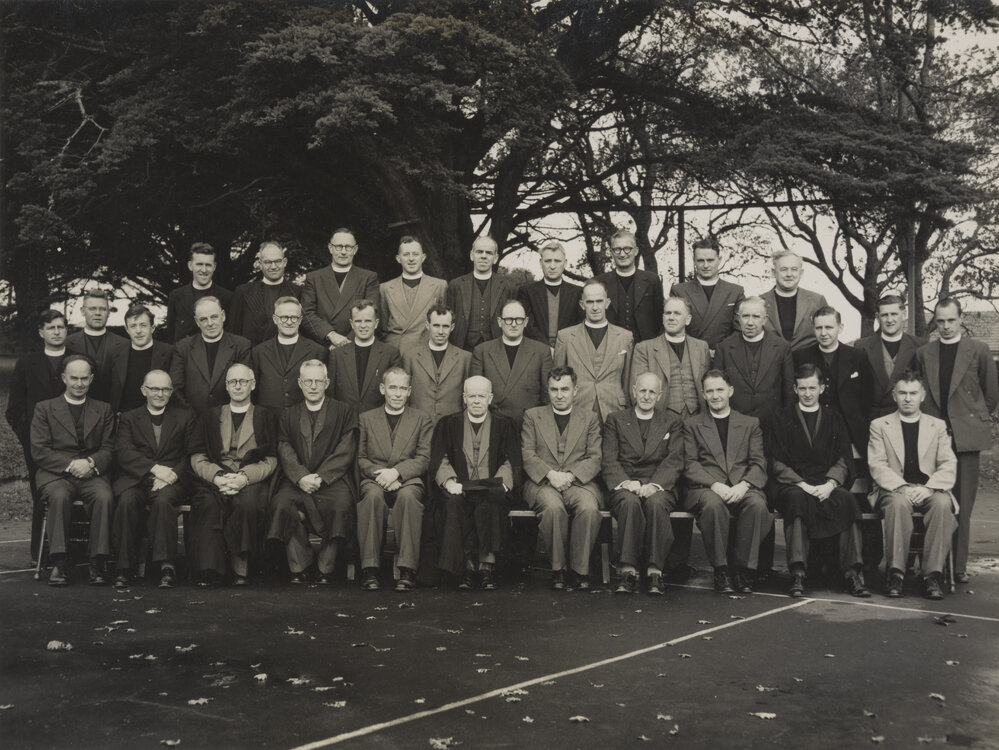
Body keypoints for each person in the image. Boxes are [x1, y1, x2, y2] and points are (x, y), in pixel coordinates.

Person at [914, 298, 998, 584]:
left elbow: (990, 395)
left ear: (961, 319)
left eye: (951, 320)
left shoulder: (980, 350)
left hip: (966, 440)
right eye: (940, 321)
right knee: (931, 500)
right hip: (931, 438)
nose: (946, 326)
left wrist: (967, 421)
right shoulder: (924, 353)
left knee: (962, 504)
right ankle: (929, 565)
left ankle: (958, 567)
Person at [768, 364, 869, 598]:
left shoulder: (834, 419)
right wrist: (802, 484)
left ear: (822, 388)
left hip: (826, 483)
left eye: (812, 388)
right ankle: (798, 572)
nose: (807, 393)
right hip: (794, 484)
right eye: (802, 388)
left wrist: (830, 484)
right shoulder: (782, 418)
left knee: (847, 501)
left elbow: (843, 459)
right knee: (796, 500)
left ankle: (852, 573)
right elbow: (776, 462)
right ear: (795, 389)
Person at [423, 376, 520, 590]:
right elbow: (440, 457)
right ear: (464, 398)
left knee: (492, 500)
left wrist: (502, 483)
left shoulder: (504, 425)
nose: (476, 400)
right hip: (460, 486)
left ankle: (486, 568)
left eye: (481, 396)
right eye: (472, 396)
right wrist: (449, 481)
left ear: (490, 398)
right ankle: (464, 568)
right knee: (454, 503)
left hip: (490, 485)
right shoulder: (448, 424)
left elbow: (510, 460)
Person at [868, 371, 958, 599]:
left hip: (929, 489)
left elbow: (948, 463)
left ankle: (932, 576)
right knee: (898, 505)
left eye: (913, 393)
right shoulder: (880, 425)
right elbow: (877, 464)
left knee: (942, 505)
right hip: (894, 489)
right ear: (894, 396)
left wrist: (929, 488)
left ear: (922, 395)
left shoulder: (937, 426)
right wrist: (903, 487)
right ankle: (896, 574)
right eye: (902, 393)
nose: (908, 398)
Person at [681, 369, 770, 594]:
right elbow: (690, 463)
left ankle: (742, 570)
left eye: (720, 390)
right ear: (703, 394)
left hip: (742, 485)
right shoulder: (692, 424)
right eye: (709, 391)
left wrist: (744, 485)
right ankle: (721, 570)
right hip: (707, 487)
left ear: (730, 391)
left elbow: (759, 462)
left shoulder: (749, 423)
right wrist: (715, 485)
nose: (715, 395)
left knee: (757, 505)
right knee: (712, 505)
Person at [267, 360, 357, 584]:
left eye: (318, 381)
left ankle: (326, 567)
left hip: (332, 480)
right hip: (297, 479)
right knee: (281, 503)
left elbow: (346, 448)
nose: (313, 386)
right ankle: (300, 565)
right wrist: (300, 476)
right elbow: (284, 447)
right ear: (300, 383)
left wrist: (321, 476)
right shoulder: (289, 414)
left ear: (327, 382)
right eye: (308, 381)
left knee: (341, 504)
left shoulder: (343, 411)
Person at [187, 364, 278, 585]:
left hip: (250, 479)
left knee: (247, 503)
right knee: (208, 503)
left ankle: (241, 568)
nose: (238, 386)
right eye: (233, 382)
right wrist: (217, 477)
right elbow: (197, 455)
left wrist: (244, 477)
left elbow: (271, 459)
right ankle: (210, 569)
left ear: (252, 385)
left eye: (243, 381)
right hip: (215, 479)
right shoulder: (210, 416)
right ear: (226, 386)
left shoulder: (265, 416)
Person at [30, 355, 116, 586]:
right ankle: (58, 562)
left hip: (90, 472)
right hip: (55, 473)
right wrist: (70, 465)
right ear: (64, 378)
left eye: (84, 378)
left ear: (91, 379)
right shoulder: (44, 408)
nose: (79, 383)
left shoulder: (104, 409)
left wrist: (90, 463)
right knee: (59, 496)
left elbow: (109, 448)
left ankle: (97, 561)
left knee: (104, 496)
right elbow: (39, 450)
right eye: (74, 378)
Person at [521, 367, 603, 590]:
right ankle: (559, 570)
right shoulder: (533, 416)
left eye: (565, 389)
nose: (559, 395)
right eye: (554, 389)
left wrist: (570, 476)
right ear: (547, 390)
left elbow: (595, 457)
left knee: (589, 508)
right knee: (553, 508)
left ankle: (580, 570)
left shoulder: (590, 418)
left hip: (578, 482)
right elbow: (527, 453)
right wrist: (550, 474)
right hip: (542, 482)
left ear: (575, 390)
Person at [602, 373, 684, 595]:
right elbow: (609, 458)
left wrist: (655, 485)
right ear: (633, 391)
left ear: (660, 395)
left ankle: (655, 571)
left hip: (658, 484)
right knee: (630, 504)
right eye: (642, 391)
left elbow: (675, 459)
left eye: (652, 392)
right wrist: (626, 482)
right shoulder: (615, 419)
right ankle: (628, 570)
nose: (647, 396)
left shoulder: (672, 421)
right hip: (626, 483)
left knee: (656, 504)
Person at [111, 370, 195, 589]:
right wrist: (154, 469)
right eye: (155, 389)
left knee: (163, 502)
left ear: (171, 391)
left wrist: (173, 475)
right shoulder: (129, 418)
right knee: (127, 502)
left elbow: (191, 454)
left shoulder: (184, 416)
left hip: (171, 480)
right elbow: (124, 452)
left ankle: (166, 566)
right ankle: (124, 567)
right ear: (144, 390)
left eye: (166, 389)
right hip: (137, 478)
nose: (160, 394)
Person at [356, 368, 433, 592]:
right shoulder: (366, 419)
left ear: (409, 391)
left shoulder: (422, 419)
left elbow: (424, 458)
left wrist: (397, 473)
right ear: (383, 389)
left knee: (408, 498)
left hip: (407, 479)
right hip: (375, 478)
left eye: (402, 388)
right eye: (393, 388)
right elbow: (360, 458)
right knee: (372, 498)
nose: (398, 393)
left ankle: (407, 569)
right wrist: (383, 475)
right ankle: (370, 568)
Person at [6, 310, 69, 560]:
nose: (56, 332)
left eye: (61, 327)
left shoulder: (78, 361)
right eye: (51, 327)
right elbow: (14, 411)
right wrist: (31, 439)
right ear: (41, 332)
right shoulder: (27, 364)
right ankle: (40, 553)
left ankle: (69, 552)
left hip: (73, 445)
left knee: (68, 494)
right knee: (41, 495)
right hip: (38, 445)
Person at [793, 306, 874, 458]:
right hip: (813, 430)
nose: (823, 333)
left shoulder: (858, 357)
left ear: (840, 328)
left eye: (829, 327)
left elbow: (868, 398)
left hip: (850, 433)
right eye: (819, 328)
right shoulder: (801, 357)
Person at [554, 280, 633, 422]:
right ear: (582, 304)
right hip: (578, 410)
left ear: (607, 303)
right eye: (590, 302)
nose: (595, 307)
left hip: (615, 410)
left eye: (599, 301)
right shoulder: (565, 337)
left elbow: (627, 380)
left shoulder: (625, 337)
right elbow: (558, 381)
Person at [470, 299, 553, 429]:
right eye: (508, 319)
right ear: (499, 322)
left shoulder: (541, 351)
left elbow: (547, 396)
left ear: (526, 322)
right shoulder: (482, 351)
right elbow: (475, 395)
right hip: (493, 426)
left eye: (519, 320)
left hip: (529, 425)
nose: (514, 324)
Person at [711, 296, 794, 424]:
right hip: (735, 423)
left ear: (765, 319)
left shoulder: (782, 347)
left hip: (772, 422)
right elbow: (716, 387)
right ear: (738, 318)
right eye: (745, 316)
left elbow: (788, 390)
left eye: (756, 317)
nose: (750, 322)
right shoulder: (724, 347)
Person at [170, 296, 252, 414]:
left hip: (229, 417)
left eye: (214, 317)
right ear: (197, 322)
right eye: (203, 319)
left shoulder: (241, 345)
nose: (210, 323)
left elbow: (245, 386)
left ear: (223, 316)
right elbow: (175, 387)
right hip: (193, 418)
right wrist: (190, 416)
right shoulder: (183, 347)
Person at [301, 227, 380, 349]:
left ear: (355, 249)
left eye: (348, 247)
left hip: (356, 345)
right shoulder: (314, 278)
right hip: (322, 346)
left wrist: (346, 342)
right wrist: (331, 335)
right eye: (338, 246)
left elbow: (372, 313)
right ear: (330, 248)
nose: (343, 252)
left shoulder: (368, 277)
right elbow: (306, 313)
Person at [631, 296, 710, 417]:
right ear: (663, 318)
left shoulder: (701, 347)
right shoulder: (644, 348)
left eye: (677, 313)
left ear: (688, 319)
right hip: (661, 418)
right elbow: (638, 392)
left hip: (697, 418)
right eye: (668, 313)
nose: (671, 318)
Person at [250, 297, 330, 410]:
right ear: (275, 319)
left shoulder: (318, 351)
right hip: (268, 417)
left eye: (294, 318)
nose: (289, 322)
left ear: (300, 320)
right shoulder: (258, 352)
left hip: (303, 417)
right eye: (284, 317)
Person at [852, 294, 924, 419]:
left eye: (894, 314)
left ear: (904, 314)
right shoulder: (862, 346)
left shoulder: (920, 346)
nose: (889, 320)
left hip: (909, 417)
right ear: (877, 317)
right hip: (873, 419)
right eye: (884, 315)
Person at [669, 238, 744, 351]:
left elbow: (740, 329)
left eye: (710, 260)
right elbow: (674, 327)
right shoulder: (679, 291)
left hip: (725, 354)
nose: (705, 265)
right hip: (690, 354)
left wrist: (720, 351)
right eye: (700, 260)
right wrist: (698, 351)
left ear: (719, 260)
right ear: (694, 261)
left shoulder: (735, 291)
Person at [329, 300, 403, 413]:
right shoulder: (337, 355)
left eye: (368, 321)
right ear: (351, 323)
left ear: (376, 323)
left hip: (378, 419)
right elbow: (331, 394)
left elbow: (396, 392)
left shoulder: (390, 354)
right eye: (358, 321)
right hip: (345, 419)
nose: (363, 326)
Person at [445, 236, 517, 351]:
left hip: (497, 350)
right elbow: (447, 320)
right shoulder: (456, 285)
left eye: (489, 253)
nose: (484, 256)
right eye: (479, 252)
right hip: (462, 349)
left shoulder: (508, 287)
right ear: (471, 255)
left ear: (495, 258)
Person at [404, 305, 472, 425]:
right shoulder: (411, 356)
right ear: (427, 325)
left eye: (445, 326)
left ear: (452, 327)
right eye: (436, 325)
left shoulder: (465, 358)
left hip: (452, 425)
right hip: (418, 424)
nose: (441, 332)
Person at [378, 236, 447, 355]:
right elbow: (383, 327)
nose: (411, 259)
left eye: (415, 254)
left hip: (426, 351)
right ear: (398, 259)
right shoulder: (385, 288)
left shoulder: (439, 286)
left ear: (423, 257)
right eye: (406, 254)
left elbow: (443, 322)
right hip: (396, 351)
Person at [595, 229, 664, 343]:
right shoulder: (599, 282)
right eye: (617, 249)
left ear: (636, 251)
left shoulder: (652, 280)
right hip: (610, 346)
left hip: (646, 347)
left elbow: (660, 317)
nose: (622, 254)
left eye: (627, 249)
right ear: (611, 252)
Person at [228, 241, 300, 345]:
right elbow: (233, 333)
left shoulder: (298, 292)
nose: (273, 266)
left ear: (285, 262)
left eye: (278, 261)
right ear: (260, 264)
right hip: (251, 353)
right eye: (268, 262)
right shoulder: (243, 292)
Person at [108, 304, 175, 413]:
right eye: (133, 326)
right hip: (124, 417)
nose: (138, 331)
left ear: (152, 328)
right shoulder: (115, 353)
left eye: (143, 325)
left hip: (159, 416)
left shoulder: (169, 352)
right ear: (127, 329)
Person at [518, 240, 583, 349]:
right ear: (541, 263)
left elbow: (580, 325)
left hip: (569, 349)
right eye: (548, 261)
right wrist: (546, 348)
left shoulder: (578, 292)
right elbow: (527, 325)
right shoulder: (527, 291)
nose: (552, 266)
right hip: (536, 349)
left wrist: (562, 348)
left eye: (557, 261)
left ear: (565, 263)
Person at [65, 290, 127, 403]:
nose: (98, 313)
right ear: (83, 311)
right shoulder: (68, 343)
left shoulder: (124, 344)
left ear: (108, 312)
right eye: (92, 308)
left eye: (103, 309)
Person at [165, 243, 233, 343]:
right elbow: (171, 334)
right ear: (190, 265)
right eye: (199, 264)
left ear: (214, 267)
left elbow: (231, 336)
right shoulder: (176, 296)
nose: (204, 270)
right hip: (184, 352)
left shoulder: (227, 297)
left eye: (208, 265)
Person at [760, 251, 828, 351]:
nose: (789, 274)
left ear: (801, 273)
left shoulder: (817, 301)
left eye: (794, 269)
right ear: (773, 272)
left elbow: (829, 335)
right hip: (771, 360)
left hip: (809, 359)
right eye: (783, 269)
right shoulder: (759, 302)